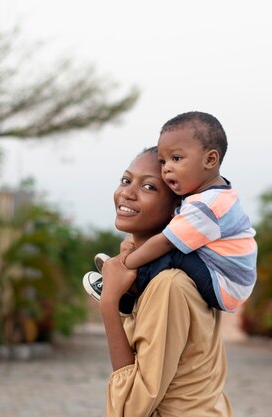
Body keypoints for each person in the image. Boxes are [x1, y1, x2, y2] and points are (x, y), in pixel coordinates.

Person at [99, 146, 234, 416]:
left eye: (149, 187)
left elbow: (131, 408)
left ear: (178, 208)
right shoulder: (174, 271)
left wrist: (109, 303)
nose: (127, 192)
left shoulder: (170, 285)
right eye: (126, 180)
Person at [84, 111, 257, 314]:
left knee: (172, 251)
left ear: (210, 160)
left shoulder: (206, 207)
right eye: (163, 161)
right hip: (229, 278)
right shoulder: (216, 194)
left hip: (225, 284)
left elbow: (165, 241)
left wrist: (123, 264)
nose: (166, 169)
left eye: (176, 158)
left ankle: (126, 288)